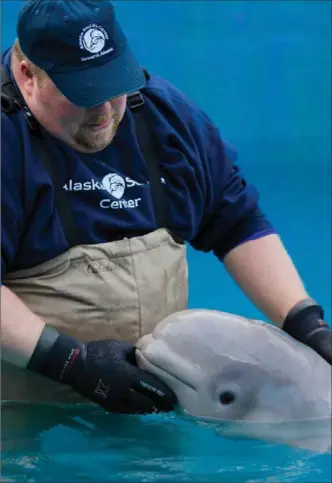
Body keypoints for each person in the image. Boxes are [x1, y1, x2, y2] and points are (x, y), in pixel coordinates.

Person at [1, 0, 331, 416]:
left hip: (154, 403)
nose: (104, 112)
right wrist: (73, 365)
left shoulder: (162, 115)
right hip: (27, 414)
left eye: (114, 84)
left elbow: (235, 222)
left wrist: (306, 322)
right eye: (82, 93)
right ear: (28, 76)